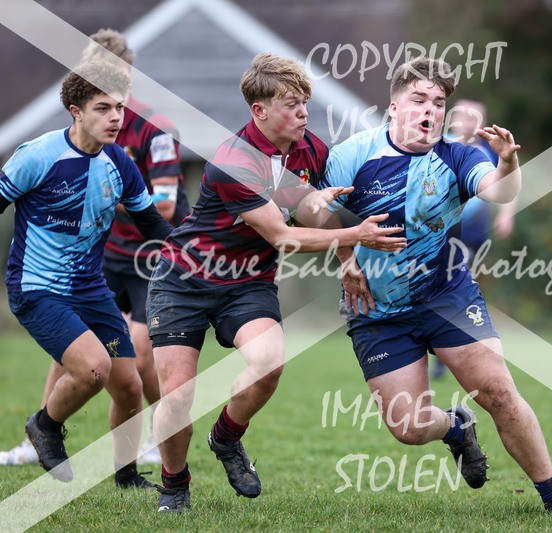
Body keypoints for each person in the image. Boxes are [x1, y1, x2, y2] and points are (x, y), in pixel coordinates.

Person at [315, 57, 552, 516]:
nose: (430, 111)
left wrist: (508, 160)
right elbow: (321, 213)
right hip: (376, 308)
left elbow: (497, 190)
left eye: (439, 102)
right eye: (419, 100)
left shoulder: (458, 155)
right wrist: (346, 259)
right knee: (409, 427)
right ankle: (457, 430)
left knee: (498, 390)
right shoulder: (351, 156)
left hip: (447, 294)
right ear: (393, 106)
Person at [147, 52, 406, 513]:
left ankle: (226, 439)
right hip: (183, 279)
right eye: (290, 103)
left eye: (305, 101)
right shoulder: (232, 161)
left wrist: (347, 255)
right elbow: (283, 235)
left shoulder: (311, 149)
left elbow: (313, 208)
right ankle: (174, 484)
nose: (303, 112)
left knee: (268, 363)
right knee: (178, 394)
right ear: (259, 111)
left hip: (246, 282)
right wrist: (356, 236)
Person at [0, 28, 185, 467]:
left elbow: (153, 223)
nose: (116, 117)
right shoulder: (37, 155)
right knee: (94, 368)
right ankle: (44, 427)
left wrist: (196, 250)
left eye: (119, 106)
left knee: (128, 384)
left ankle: (125, 474)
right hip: (38, 287)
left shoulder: (120, 163)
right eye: (103, 108)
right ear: (76, 111)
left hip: (91, 287)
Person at [431, 98, 516, 379]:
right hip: (444, 233)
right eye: (464, 116)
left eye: (475, 117)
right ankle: (444, 349)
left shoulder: (489, 152)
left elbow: (511, 179)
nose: (468, 122)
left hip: (476, 232)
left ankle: (447, 349)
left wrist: (506, 215)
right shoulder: (443, 147)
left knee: (459, 288)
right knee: (448, 285)